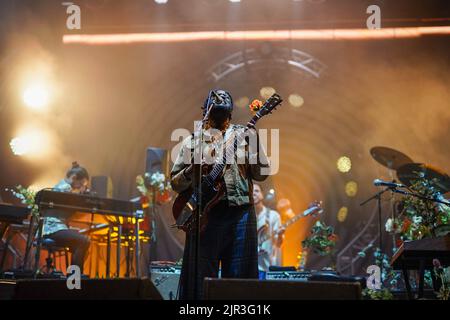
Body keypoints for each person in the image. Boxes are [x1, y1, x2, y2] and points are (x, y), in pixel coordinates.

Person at [171, 89, 270, 299]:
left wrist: (255, 148)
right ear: (206, 109)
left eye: (225, 97)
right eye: (215, 98)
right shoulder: (193, 140)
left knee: (239, 280)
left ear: (231, 110)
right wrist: (191, 170)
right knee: (201, 280)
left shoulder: (245, 135)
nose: (220, 99)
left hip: (240, 212)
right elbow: (176, 183)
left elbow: (262, 174)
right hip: (206, 216)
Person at [42, 162, 91, 273]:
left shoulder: (63, 186)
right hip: (53, 228)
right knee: (84, 240)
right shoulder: (65, 188)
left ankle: (73, 278)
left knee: (79, 244)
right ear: (74, 178)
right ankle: (74, 278)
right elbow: (71, 208)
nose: (81, 187)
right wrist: (83, 197)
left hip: (55, 227)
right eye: (82, 184)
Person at [253, 183, 284, 279]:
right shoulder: (245, 217)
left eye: (256, 191)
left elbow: (278, 244)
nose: (253, 193)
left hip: (266, 268)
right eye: (250, 191)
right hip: (249, 268)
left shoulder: (273, 216)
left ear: (262, 194)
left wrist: (280, 235)